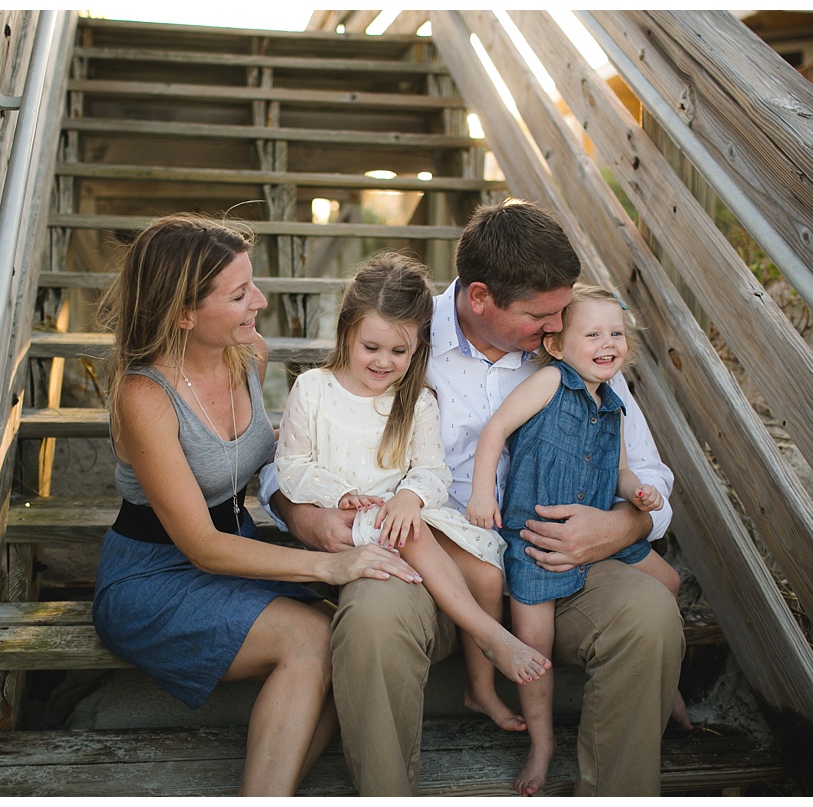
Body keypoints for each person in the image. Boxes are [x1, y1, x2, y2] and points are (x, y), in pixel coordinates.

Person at [261, 199, 684, 796]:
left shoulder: (573, 345)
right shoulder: (400, 334)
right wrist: (307, 520)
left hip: (552, 563)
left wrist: (621, 528)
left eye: (562, 310)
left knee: (649, 614)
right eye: (541, 315)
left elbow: (647, 473)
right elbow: (293, 457)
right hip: (429, 564)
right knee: (373, 621)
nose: (557, 326)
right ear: (480, 297)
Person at [90, 214, 423, 797]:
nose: (261, 302)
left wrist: (318, 511)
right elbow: (200, 545)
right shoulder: (145, 396)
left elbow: (270, 464)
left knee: (355, 638)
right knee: (315, 638)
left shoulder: (248, 355)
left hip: (239, 544)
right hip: (157, 572)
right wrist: (327, 564)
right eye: (241, 293)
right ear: (184, 313)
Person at [275, 253, 551, 733]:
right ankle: (490, 636)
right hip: (345, 523)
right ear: (346, 333)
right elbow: (291, 466)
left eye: (399, 352)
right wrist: (340, 495)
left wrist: (410, 497)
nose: (384, 362)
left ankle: (479, 689)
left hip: (403, 517)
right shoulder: (312, 390)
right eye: (371, 347)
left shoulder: (416, 402)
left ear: (418, 347)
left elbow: (431, 469)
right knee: (410, 534)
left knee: (486, 574)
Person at [466, 283, 683, 795]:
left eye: (617, 333)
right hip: (536, 541)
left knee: (668, 582)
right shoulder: (546, 382)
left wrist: (639, 494)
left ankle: (664, 684)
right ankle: (542, 744)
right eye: (593, 334)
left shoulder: (613, 401)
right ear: (559, 345)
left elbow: (624, 470)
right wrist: (481, 496)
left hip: (599, 531)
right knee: (534, 645)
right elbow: (495, 431)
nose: (608, 342)